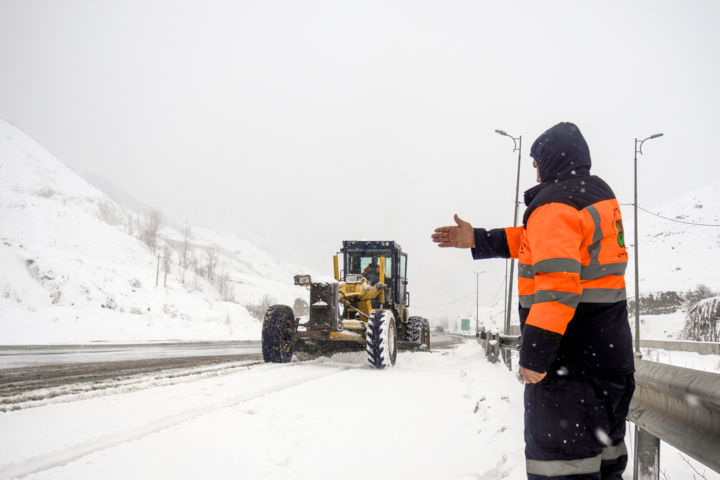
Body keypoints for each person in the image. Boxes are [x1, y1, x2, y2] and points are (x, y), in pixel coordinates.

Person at [432, 122, 635, 479]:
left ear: (550, 159)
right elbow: (533, 240)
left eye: (536, 162)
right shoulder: (597, 198)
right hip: (610, 365)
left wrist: (536, 356)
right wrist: (478, 239)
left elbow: (557, 287)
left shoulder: (555, 205)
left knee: (561, 470)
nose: (536, 171)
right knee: (605, 468)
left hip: (570, 371)